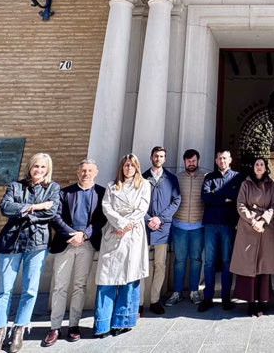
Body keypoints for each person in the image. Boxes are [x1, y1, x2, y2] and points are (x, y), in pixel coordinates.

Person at [0, 153, 60, 353]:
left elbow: (51, 212)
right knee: (4, 290)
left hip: (37, 243)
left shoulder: (53, 188)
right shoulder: (15, 186)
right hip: (10, 242)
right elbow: (5, 207)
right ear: (30, 167)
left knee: (30, 289)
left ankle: (19, 329)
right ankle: (0, 332)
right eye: (36, 166)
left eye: (43, 168)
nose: (38, 170)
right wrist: (35, 207)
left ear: (48, 170)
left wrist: (22, 212)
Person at [44, 159, 107, 347]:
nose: (86, 174)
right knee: (60, 286)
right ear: (78, 172)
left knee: (80, 286)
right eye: (83, 170)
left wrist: (85, 235)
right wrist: (72, 234)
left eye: (89, 171)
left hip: (86, 244)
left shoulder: (101, 193)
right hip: (66, 243)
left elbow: (101, 219)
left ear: (96, 172)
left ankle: (74, 325)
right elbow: (56, 217)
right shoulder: (65, 193)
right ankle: (55, 327)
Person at [94, 154, 150, 338]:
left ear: (137, 168)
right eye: (126, 165)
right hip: (113, 232)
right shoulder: (111, 186)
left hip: (133, 233)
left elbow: (142, 208)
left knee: (129, 277)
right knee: (107, 278)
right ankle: (102, 324)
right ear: (122, 167)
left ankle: (123, 320)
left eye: (132, 165)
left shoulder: (144, 185)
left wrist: (126, 226)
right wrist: (119, 224)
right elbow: (106, 207)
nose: (129, 169)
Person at [230, 157, 274, 316]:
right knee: (248, 265)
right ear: (253, 167)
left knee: (263, 265)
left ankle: (261, 303)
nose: (259, 167)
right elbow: (240, 204)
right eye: (256, 164)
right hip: (248, 227)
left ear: (266, 168)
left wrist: (263, 220)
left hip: (266, 228)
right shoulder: (246, 184)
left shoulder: (271, 185)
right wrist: (253, 220)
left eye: (262, 165)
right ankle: (250, 302)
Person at [200, 149, 243, 312]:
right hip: (210, 224)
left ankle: (226, 297)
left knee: (227, 262)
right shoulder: (209, 177)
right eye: (219, 158)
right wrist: (224, 198)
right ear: (216, 161)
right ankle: (208, 298)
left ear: (230, 159)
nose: (222, 161)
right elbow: (205, 197)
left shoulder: (237, 177)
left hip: (228, 224)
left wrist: (216, 194)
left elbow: (236, 194)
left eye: (225, 158)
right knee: (209, 262)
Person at [166, 149, 209, 306]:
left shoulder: (206, 177)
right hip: (180, 225)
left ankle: (194, 291)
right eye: (188, 161)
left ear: (198, 160)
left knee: (197, 259)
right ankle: (176, 292)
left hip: (199, 225)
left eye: (194, 160)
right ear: (184, 161)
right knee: (180, 260)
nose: (191, 163)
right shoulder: (177, 178)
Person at [143, 146, 181, 315]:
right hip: (143, 228)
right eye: (156, 156)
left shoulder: (171, 179)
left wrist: (160, 218)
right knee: (140, 265)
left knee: (160, 265)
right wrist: (147, 218)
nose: (159, 158)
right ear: (151, 157)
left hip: (163, 228)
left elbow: (176, 200)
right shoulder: (142, 178)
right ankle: (138, 302)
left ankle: (154, 300)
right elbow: (136, 202)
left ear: (165, 159)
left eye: (162, 156)